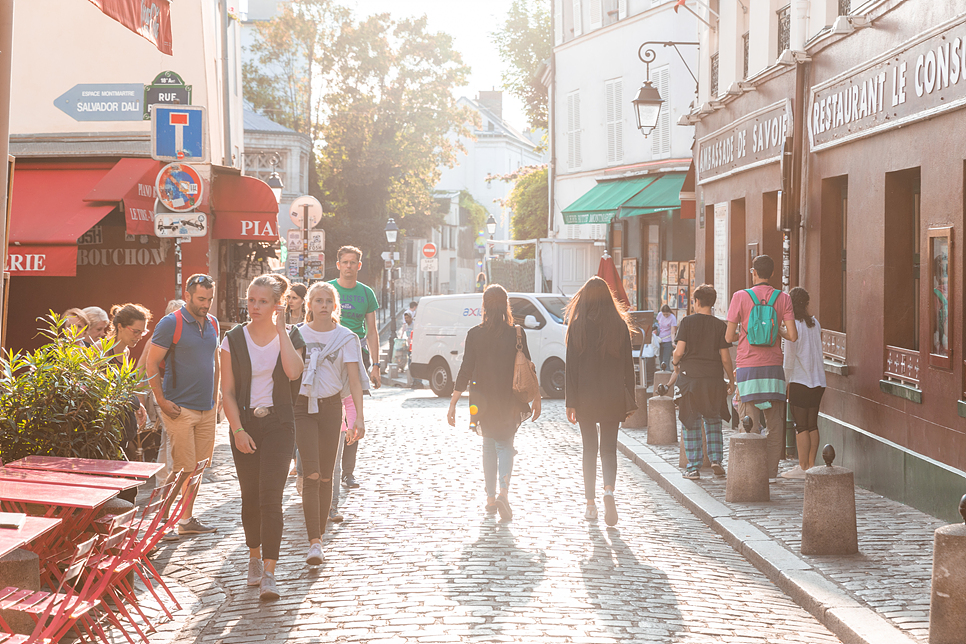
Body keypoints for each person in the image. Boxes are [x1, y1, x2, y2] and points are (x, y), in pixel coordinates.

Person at [221, 274, 304, 601]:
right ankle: (253, 557)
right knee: (250, 496)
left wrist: (282, 329)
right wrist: (238, 429)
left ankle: (270, 571)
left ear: (277, 305)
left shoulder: (292, 336)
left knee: (271, 496)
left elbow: (294, 372)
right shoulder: (232, 339)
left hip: (279, 425)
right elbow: (226, 391)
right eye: (251, 300)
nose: (254, 306)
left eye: (262, 301)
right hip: (245, 426)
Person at [446, 285, 541, 522]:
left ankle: (490, 499)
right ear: (506, 305)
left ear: (484, 306)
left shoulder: (475, 334)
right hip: (509, 400)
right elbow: (528, 368)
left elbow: (465, 369)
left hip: (483, 400)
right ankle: (504, 493)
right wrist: (537, 398)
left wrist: (453, 402)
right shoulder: (516, 333)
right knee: (505, 445)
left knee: (488, 446)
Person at [294, 282, 366, 566]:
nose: (323, 305)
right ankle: (314, 542)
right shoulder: (297, 335)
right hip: (302, 408)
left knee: (326, 476)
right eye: (317, 300)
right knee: (311, 474)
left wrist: (358, 417)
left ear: (335, 306)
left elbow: (354, 379)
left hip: (332, 407)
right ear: (309, 305)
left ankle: (320, 536)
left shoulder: (346, 338)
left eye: (328, 301)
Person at [144, 275, 220, 538]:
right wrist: (161, 401)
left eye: (209, 299)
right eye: (201, 299)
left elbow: (215, 361)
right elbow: (151, 364)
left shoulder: (212, 322)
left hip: (206, 408)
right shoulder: (170, 323)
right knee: (182, 468)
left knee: (198, 468)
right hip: (179, 408)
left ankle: (186, 520)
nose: (206, 304)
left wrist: (216, 398)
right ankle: (160, 520)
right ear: (187, 295)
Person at [564, 276, 637, 526]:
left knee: (589, 450)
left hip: (585, 396)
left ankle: (590, 504)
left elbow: (570, 368)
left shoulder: (577, 326)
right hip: (612, 396)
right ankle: (608, 491)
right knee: (608, 448)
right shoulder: (619, 325)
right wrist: (630, 401)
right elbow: (629, 366)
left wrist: (570, 402)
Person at [725, 255, 798, 481]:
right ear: (772, 274)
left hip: (748, 368)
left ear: (753, 272)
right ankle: (770, 473)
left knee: (749, 423)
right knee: (775, 424)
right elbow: (793, 335)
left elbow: (728, 336)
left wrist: (746, 333)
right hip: (773, 369)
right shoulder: (783, 298)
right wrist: (775, 332)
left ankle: (751, 472)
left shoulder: (740, 296)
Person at [671, 285, 735, 480]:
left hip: (690, 379)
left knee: (691, 421)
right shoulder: (720, 326)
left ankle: (693, 467)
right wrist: (731, 380)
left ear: (697, 302)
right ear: (713, 303)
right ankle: (716, 460)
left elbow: (679, 351)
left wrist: (675, 363)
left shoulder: (687, 322)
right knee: (713, 419)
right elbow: (725, 358)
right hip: (714, 379)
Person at [329, 246, 380, 490]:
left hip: (357, 353)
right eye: (345, 262)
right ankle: (326, 465)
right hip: (330, 353)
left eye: (353, 262)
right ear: (338, 264)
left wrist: (376, 365)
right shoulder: (328, 290)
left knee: (352, 411)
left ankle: (348, 471)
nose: (349, 266)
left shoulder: (366, 293)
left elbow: (372, 331)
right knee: (327, 410)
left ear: (359, 266)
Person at [137, 300, 184, 488]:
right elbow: (141, 367)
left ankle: (163, 483)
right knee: (173, 437)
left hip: (181, 392)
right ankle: (170, 484)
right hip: (163, 390)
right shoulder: (157, 338)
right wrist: (139, 396)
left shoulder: (184, 337)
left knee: (168, 438)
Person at [781, 287, 826, 479]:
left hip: (800, 379)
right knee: (812, 424)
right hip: (818, 381)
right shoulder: (815, 323)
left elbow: (789, 358)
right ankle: (812, 465)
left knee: (801, 425)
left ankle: (802, 466)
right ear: (806, 303)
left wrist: (784, 381)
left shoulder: (793, 326)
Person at [104, 304, 152, 464]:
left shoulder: (125, 352)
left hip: (120, 426)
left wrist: (137, 404)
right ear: (120, 327)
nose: (139, 337)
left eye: (142, 332)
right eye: (135, 331)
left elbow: (122, 387)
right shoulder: (101, 351)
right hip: (103, 429)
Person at [656, 305, 677, 370]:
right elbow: (658, 325)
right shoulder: (660, 315)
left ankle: (667, 377)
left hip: (668, 340)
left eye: (667, 314)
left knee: (665, 361)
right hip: (660, 339)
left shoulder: (672, 318)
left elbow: (673, 332)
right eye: (664, 314)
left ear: (669, 312)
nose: (665, 316)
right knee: (660, 359)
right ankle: (661, 375)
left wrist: (673, 342)